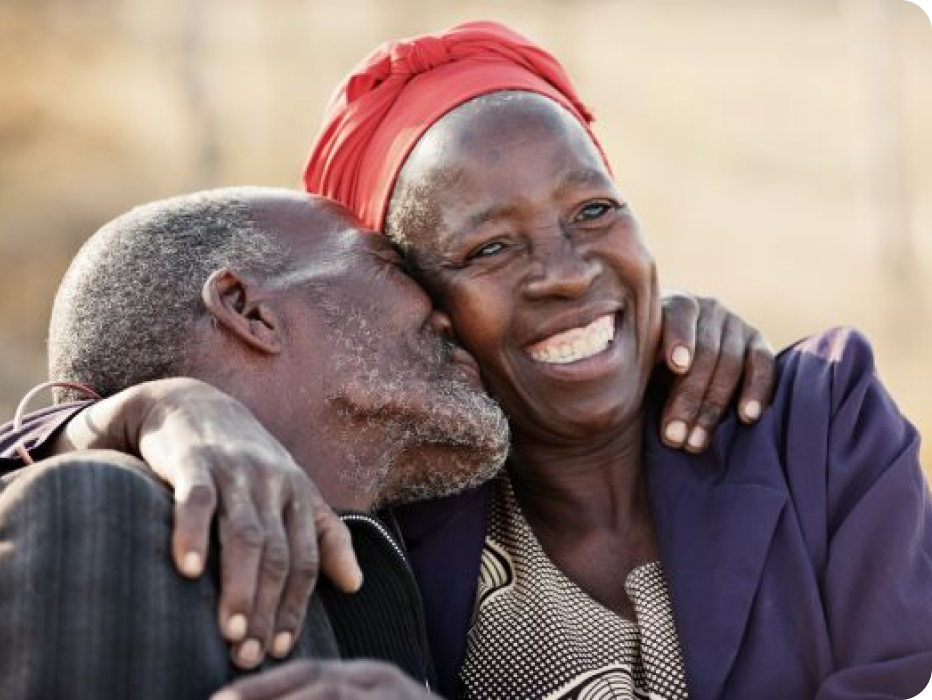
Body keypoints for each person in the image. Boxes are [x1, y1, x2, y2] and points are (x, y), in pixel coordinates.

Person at [300, 20, 932, 699]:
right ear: (415, 305)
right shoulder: (377, 533)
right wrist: (173, 408)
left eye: (595, 209)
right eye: (491, 249)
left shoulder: (820, 427)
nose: (568, 274)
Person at [0, 187, 507, 699]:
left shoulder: (404, 552)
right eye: (389, 264)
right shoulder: (101, 513)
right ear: (248, 310)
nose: (445, 310)